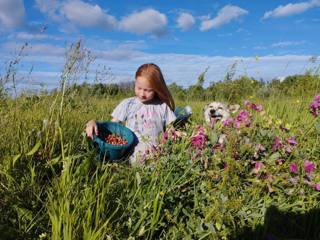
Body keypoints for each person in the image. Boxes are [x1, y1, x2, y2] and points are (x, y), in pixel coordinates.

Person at [85, 63, 177, 165]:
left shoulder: (162, 107)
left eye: (147, 90)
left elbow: (169, 130)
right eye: (139, 88)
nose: (142, 94)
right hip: (131, 154)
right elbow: (111, 127)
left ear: (156, 89)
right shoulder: (128, 104)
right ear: (135, 83)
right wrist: (93, 122)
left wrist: (174, 134)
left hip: (157, 153)